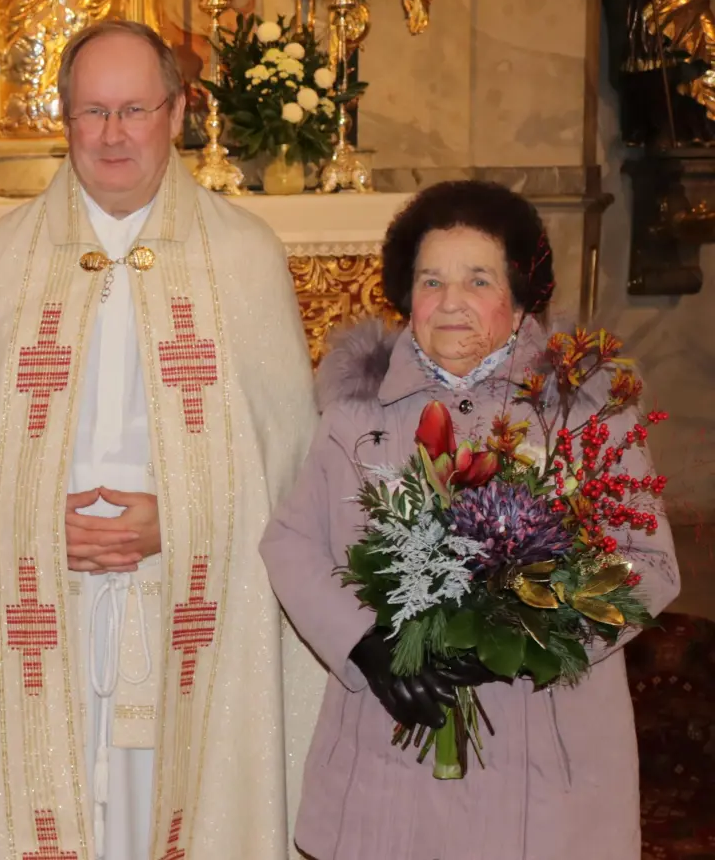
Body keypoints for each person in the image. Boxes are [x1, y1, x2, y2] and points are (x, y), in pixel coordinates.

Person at [0, 20, 325, 860]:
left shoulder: (244, 256)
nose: (112, 134)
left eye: (134, 109)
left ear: (177, 112)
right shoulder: (2, 259)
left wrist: (179, 519)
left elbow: (290, 462)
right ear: (62, 118)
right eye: (91, 111)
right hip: (41, 594)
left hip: (194, 593)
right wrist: (30, 519)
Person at [260, 180, 681, 859]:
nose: (450, 301)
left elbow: (649, 562)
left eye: (477, 279)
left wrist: (526, 635)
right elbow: (292, 542)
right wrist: (368, 646)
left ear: (519, 297)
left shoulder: (583, 414)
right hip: (396, 734)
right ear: (405, 296)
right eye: (431, 280)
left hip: (544, 747)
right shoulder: (354, 416)